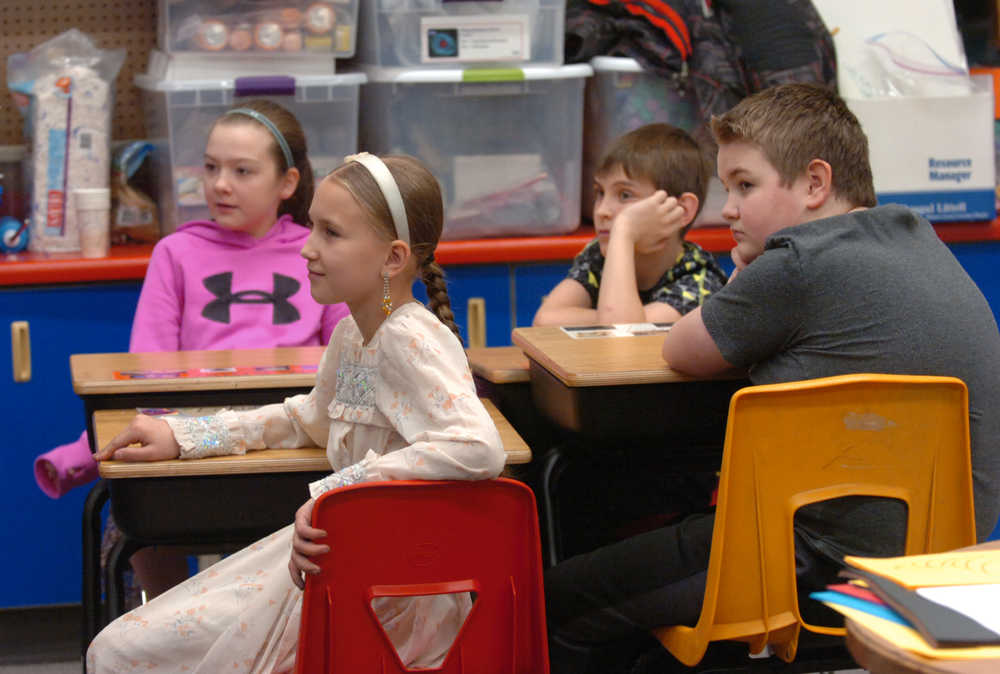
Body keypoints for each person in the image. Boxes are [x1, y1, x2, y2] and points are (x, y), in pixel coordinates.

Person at [544, 83, 1000, 673]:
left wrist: (746, 272)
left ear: (815, 183)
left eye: (745, 185)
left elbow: (682, 349)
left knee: (557, 599)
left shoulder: (798, 261)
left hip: (818, 560)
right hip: (945, 554)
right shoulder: (917, 237)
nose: (729, 209)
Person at [86, 152, 506, 672]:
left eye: (331, 233)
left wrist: (342, 493)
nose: (307, 248)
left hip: (390, 596)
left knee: (120, 653)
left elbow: (477, 447)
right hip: (351, 564)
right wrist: (186, 434)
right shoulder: (356, 335)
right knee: (121, 648)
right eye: (312, 227)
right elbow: (308, 420)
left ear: (393, 258)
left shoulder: (408, 338)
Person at [34, 99, 349, 597]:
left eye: (242, 171)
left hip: (292, 440)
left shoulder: (317, 250)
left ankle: (87, 450)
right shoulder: (176, 253)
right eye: (210, 167)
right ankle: (170, 620)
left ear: (287, 182)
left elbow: (347, 358)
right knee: (136, 497)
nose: (220, 184)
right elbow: (148, 367)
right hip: (192, 437)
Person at [533, 123, 726, 327]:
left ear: (682, 210)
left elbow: (622, 333)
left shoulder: (700, 280)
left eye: (625, 195)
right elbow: (544, 321)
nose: (602, 211)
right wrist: (615, 318)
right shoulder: (599, 255)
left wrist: (624, 230)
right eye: (600, 193)